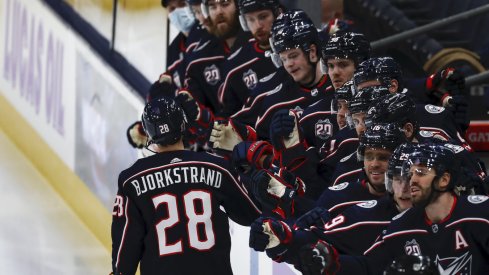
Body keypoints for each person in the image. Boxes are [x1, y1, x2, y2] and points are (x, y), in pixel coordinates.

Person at [111, 97, 261, 275]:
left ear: (149, 135)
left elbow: (127, 246)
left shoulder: (131, 180)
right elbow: (252, 213)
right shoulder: (217, 167)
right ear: (182, 124)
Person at [299, 143, 489, 274]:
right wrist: (333, 264)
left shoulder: (482, 214)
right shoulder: (401, 225)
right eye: (409, 174)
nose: (412, 180)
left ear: (444, 180)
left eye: (421, 172)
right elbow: (368, 267)